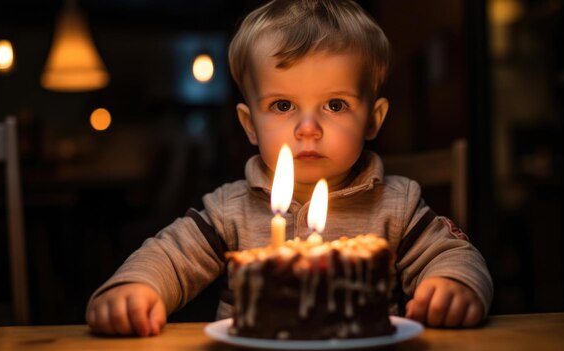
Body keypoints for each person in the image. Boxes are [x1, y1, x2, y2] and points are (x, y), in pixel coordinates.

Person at [86, 0, 493, 337]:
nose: (308, 129)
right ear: (249, 124)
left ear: (373, 119)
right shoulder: (229, 210)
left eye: (335, 105)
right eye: (283, 105)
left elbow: (453, 253)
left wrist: (453, 285)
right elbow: (170, 257)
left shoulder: (396, 205)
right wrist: (135, 288)